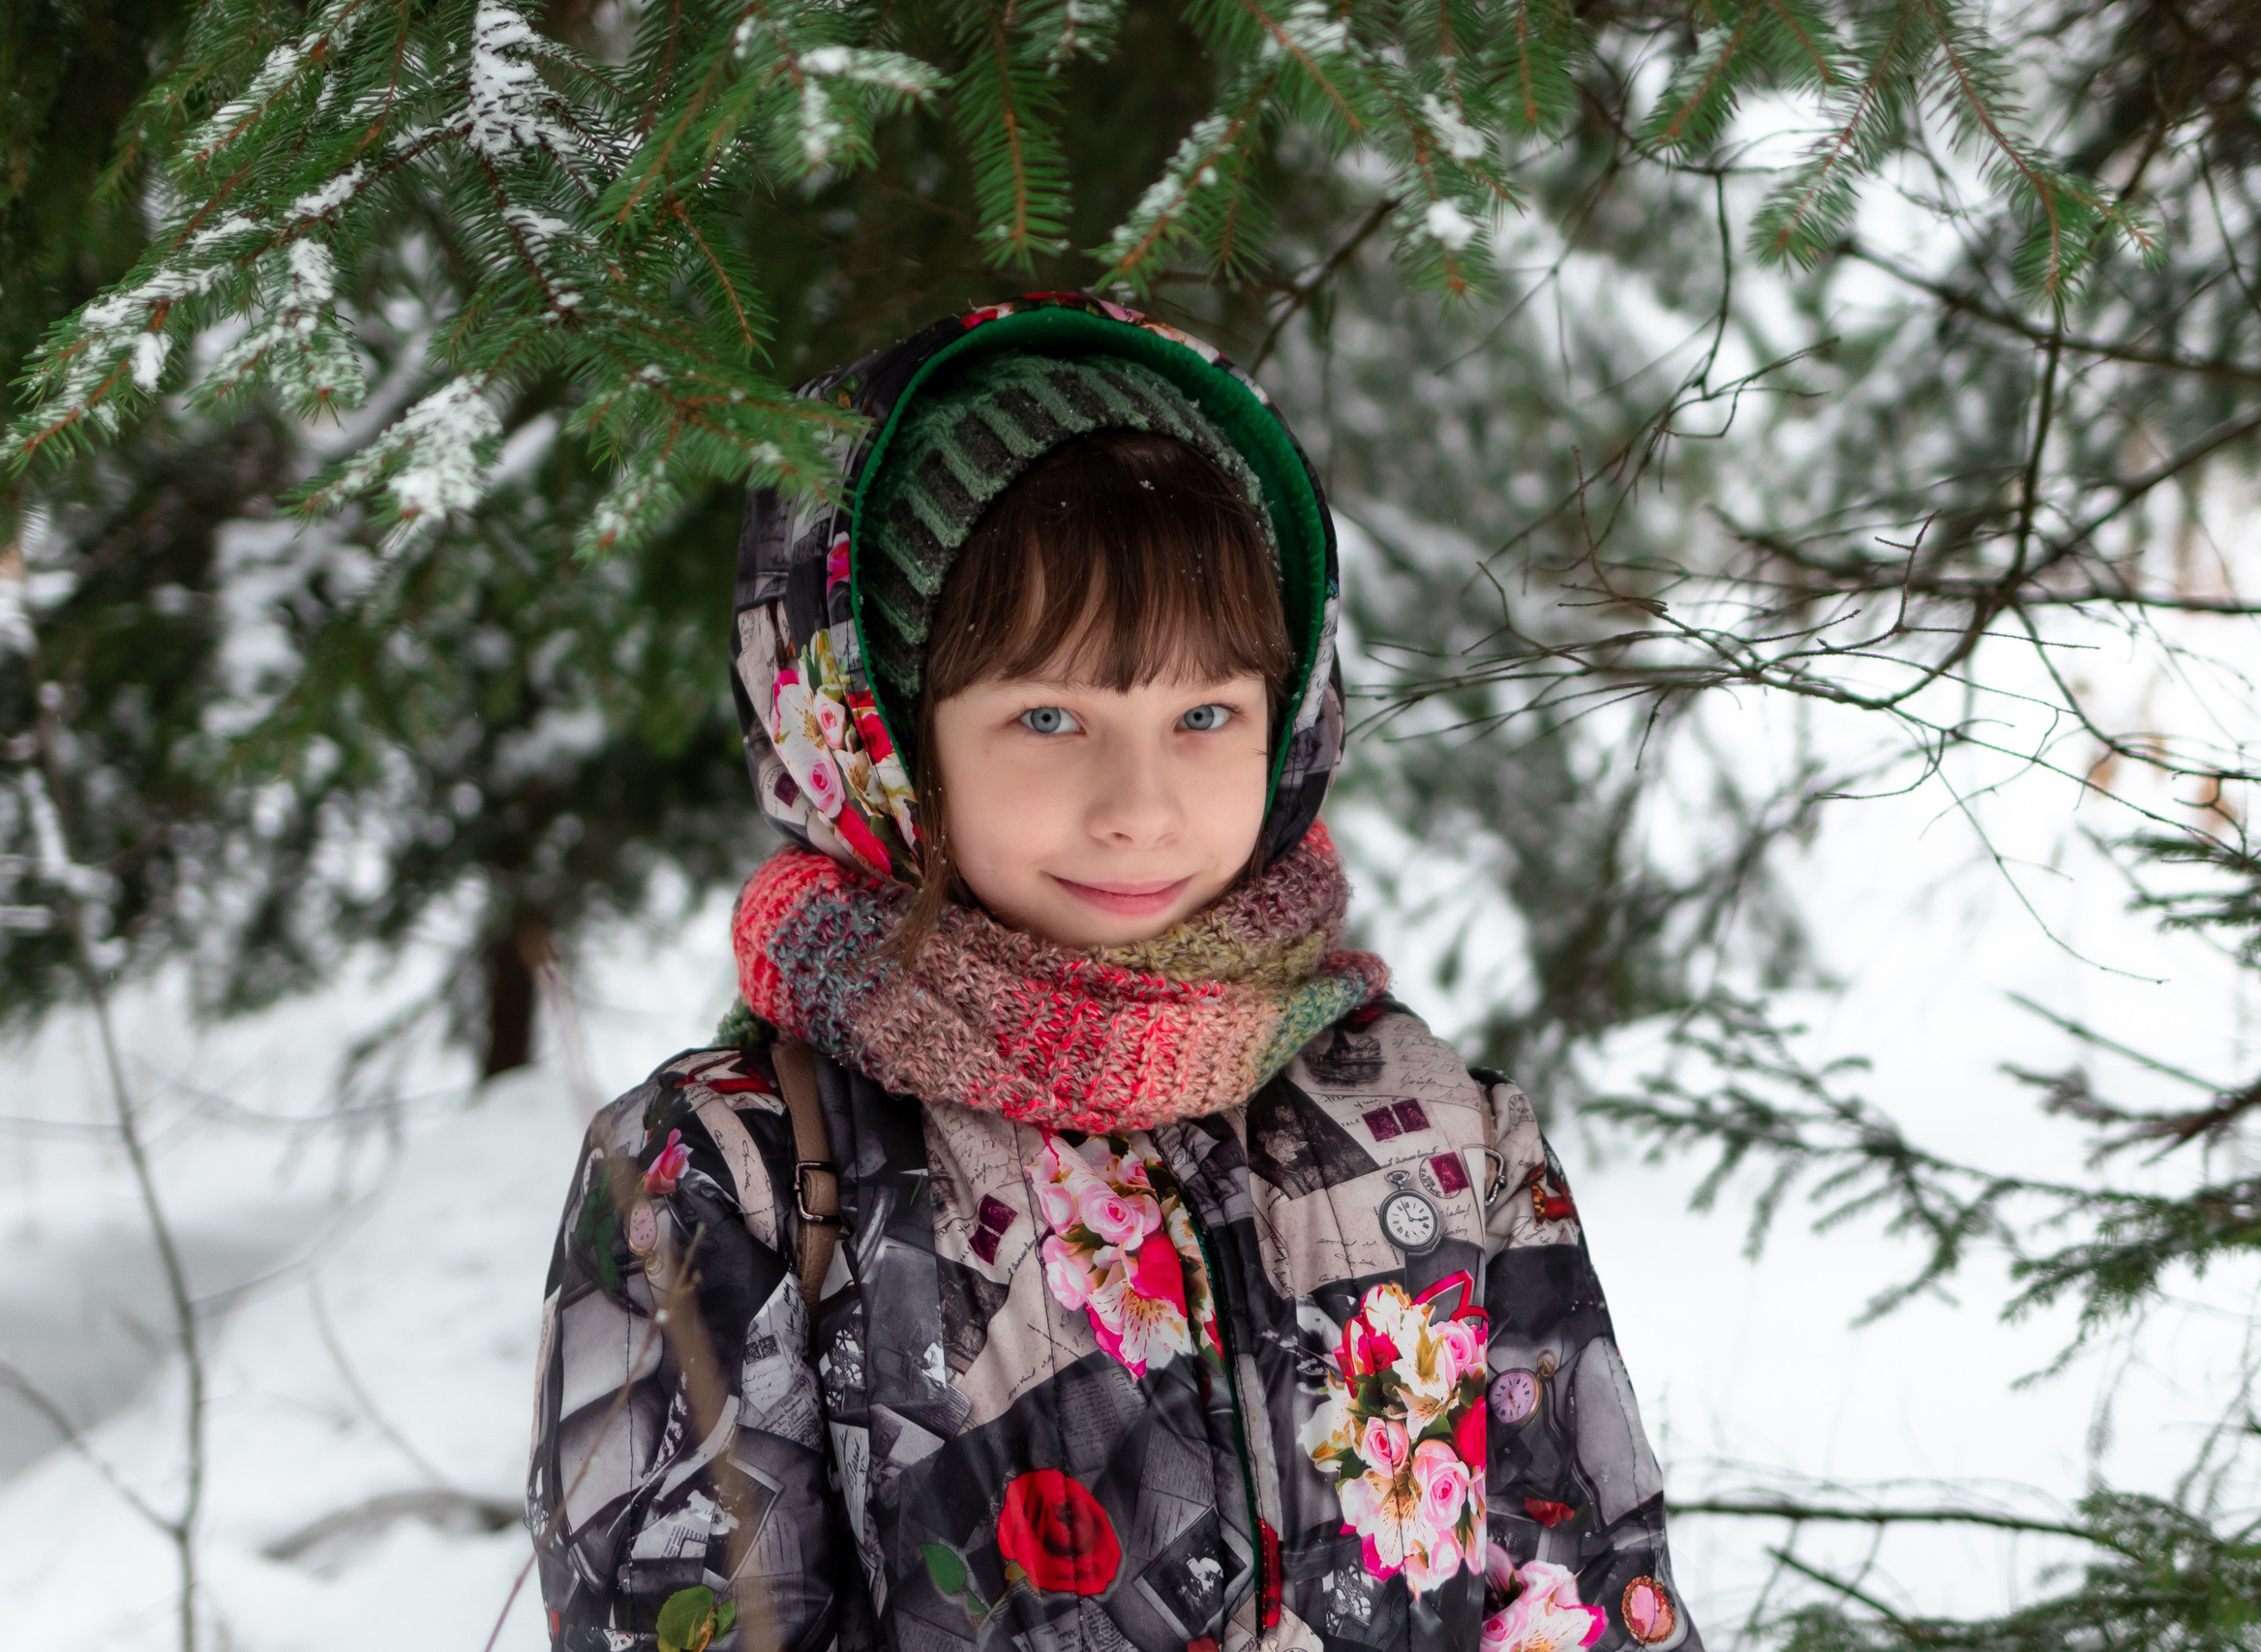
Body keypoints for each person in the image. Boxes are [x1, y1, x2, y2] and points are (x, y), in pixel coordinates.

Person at [525, 292, 1700, 1652]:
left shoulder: (1435, 1130)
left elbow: (1583, 1603)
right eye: (1048, 716)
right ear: (880, 736)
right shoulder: (732, 1175)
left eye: (1204, 713)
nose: (1138, 805)